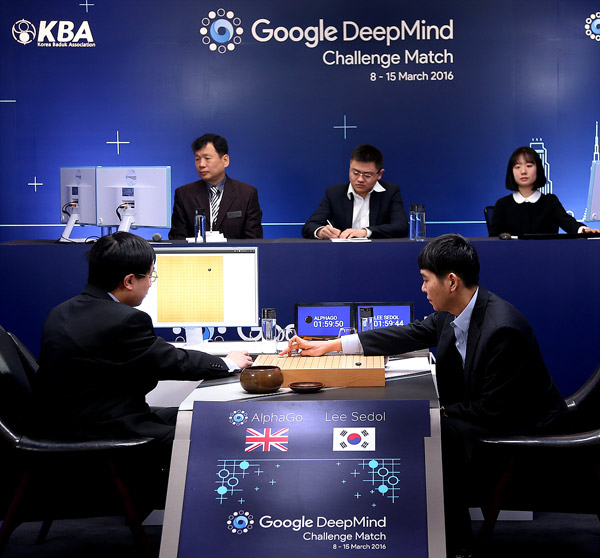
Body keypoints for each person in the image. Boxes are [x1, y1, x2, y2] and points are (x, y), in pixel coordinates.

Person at [281, 233, 566, 557]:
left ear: (452, 282)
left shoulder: (502, 329)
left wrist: (437, 414)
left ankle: (455, 544)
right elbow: (407, 334)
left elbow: (494, 410)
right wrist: (331, 345)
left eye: (426, 280)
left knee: (432, 431)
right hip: (488, 411)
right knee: (429, 425)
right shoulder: (454, 311)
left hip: (523, 423)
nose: (422, 288)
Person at [36, 232, 253, 454]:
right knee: (207, 437)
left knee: (197, 416)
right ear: (129, 281)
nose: (150, 284)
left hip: (66, 422)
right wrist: (228, 363)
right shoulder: (125, 320)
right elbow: (170, 361)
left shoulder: (60, 312)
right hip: (102, 429)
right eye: (150, 276)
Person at [302, 144, 409, 239]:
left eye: (367, 175)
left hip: (379, 253)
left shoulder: (390, 192)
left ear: (380, 174)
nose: (360, 179)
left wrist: (365, 232)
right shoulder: (334, 193)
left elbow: (401, 227)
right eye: (355, 173)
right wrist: (321, 231)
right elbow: (309, 226)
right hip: (342, 253)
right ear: (349, 169)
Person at [169, 133, 263, 240]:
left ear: (225, 160)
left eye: (207, 158)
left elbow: (253, 240)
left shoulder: (247, 194)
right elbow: (178, 240)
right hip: (195, 256)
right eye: (197, 159)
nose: (201, 164)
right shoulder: (184, 194)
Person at [489, 146, 599, 236]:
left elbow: (568, 223)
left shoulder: (550, 202)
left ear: (538, 169)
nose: (523, 171)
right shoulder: (502, 204)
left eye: (529, 165)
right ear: (511, 172)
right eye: (517, 167)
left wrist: (582, 230)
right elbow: (493, 240)